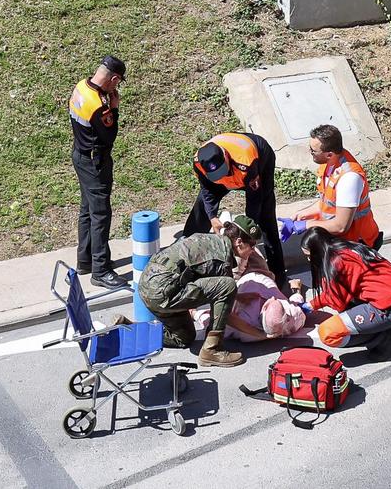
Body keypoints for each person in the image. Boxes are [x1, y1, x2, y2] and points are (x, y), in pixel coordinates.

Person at [135, 216, 259, 368]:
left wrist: (238, 297)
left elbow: (214, 290)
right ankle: (212, 350)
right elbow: (225, 299)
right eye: (252, 245)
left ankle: (134, 333)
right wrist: (261, 335)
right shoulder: (222, 260)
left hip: (147, 285)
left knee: (184, 338)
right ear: (239, 242)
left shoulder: (211, 240)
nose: (253, 251)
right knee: (229, 285)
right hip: (163, 293)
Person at [182, 132, 288, 291]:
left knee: (266, 218)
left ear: (225, 156)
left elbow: (255, 201)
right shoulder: (199, 163)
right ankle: (186, 258)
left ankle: (278, 275)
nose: (221, 177)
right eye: (216, 176)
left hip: (259, 162)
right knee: (201, 211)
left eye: (222, 172)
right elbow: (206, 192)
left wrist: (246, 233)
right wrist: (212, 217)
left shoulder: (247, 162)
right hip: (232, 170)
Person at [68, 54, 131, 291]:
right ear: (113, 78)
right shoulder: (98, 107)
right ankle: (101, 270)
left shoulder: (81, 87)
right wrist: (114, 110)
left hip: (80, 156)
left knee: (87, 209)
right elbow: (109, 136)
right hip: (96, 162)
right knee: (101, 214)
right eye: (118, 82)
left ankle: (85, 260)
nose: (117, 86)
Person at [300, 227, 391, 353]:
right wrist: (311, 305)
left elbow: (336, 300)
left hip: (385, 309)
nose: (309, 260)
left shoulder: (337, 263)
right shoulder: (346, 246)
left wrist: (309, 306)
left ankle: (381, 338)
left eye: (309, 256)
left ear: (319, 250)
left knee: (327, 333)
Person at [289, 123, 381, 248]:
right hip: (339, 242)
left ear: (329, 154)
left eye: (313, 151)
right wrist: (301, 215)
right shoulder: (328, 163)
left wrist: (307, 224)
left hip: (357, 245)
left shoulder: (349, 178)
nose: (310, 152)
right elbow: (328, 202)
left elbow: (341, 226)